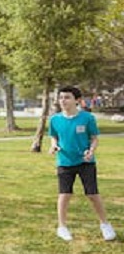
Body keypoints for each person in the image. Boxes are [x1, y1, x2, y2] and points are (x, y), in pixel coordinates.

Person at [48, 86, 116, 242]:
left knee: (92, 194)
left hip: (86, 162)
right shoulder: (55, 119)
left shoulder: (87, 118)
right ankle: (62, 227)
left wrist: (91, 151)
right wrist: (54, 146)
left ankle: (105, 225)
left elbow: (94, 138)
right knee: (64, 195)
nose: (63, 101)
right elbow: (54, 137)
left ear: (77, 100)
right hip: (65, 162)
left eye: (67, 97)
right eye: (61, 98)